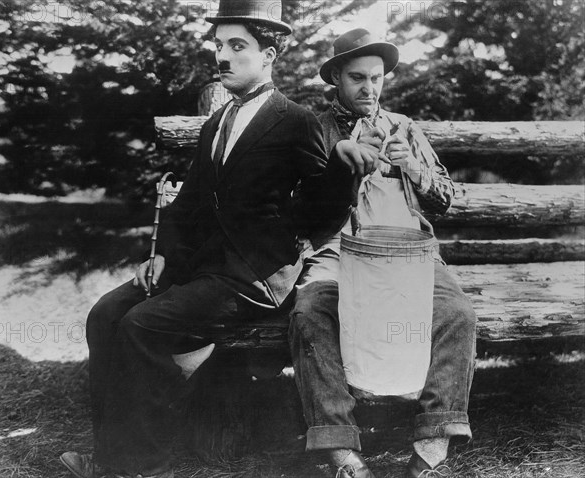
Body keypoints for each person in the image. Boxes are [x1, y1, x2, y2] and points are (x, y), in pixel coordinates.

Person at [59, 5, 380, 478]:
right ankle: (110, 454)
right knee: (105, 314)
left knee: (142, 326)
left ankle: (145, 464)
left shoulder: (297, 121)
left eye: (237, 47)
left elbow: (321, 214)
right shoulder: (217, 122)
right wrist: (162, 254)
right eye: (218, 46)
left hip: (253, 277)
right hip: (201, 266)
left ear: (268, 55)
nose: (222, 57)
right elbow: (187, 203)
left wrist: (341, 170)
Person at [288, 28, 477, 478]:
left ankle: (431, 449)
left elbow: (446, 200)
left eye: (376, 78)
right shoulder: (313, 130)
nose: (368, 89)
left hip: (409, 255)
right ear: (335, 76)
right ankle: (342, 454)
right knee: (310, 312)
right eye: (357, 78)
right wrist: (341, 168)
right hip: (339, 253)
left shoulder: (405, 128)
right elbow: (298, 210)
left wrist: (412, 167)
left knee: (458, 314)